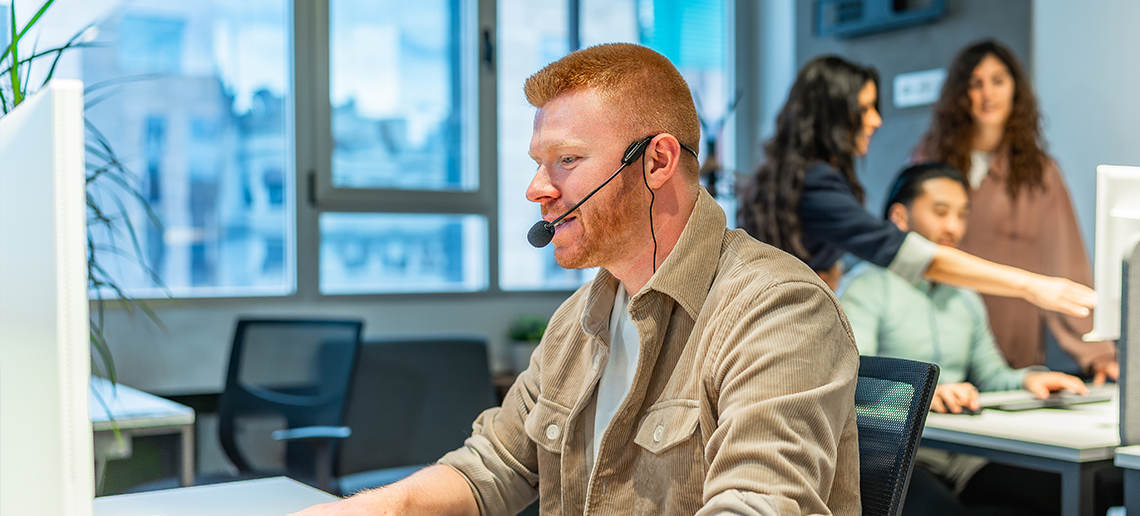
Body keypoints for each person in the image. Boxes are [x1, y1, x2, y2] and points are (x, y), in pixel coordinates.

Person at [290, 43, 861, 516]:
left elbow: (757, 505)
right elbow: (494, 466)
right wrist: (376, 509)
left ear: (656, 162)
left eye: (566, 160)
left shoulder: (778, 309)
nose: (537, 189)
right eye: (538, 164)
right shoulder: (579, 321)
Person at [737, 55, 1097, 319]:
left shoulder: (793, 179)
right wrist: (1031, 285)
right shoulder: (816, 182)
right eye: (865, 109)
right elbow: (907, 253)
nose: (876, 121)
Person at [839, 162, 1088, 516]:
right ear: (900, 217)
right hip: (894, 459)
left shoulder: (965, 295)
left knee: (1057, 495)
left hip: (964, 458)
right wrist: (924, 395)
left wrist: (1029, 379)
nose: (953, 227)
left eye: (961, 215)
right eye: (941, 212)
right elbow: (858, 382)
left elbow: (991, 376)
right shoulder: (867, 287)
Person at [914, 39, 1118, 383]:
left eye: (998, 81)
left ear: (1015, 90)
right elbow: (908, 251)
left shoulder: (1040, 173)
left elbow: (1067, 264)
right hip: (939, 345)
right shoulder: (930, 162)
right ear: (959, 94)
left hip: (1013, 348)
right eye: (975, 83)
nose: (987, 94)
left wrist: (1098, 355)